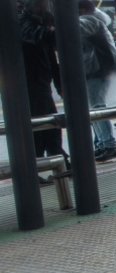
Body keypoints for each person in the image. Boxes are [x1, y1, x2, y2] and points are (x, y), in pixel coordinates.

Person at [19, 0, 69, 168]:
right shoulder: (25, 24)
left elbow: (52, 61)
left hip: (41, 84)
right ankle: (43, 163)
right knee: (42, 127)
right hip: (31, 85)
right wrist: (54, 31)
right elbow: (38, 37)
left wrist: (60, 86)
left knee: (50, 126)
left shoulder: (39, 24)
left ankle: (58, 160)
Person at [78, 0, 116, 162]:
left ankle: (109, 145)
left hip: (96, 70)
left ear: (82, 10)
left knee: (96, 108)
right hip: (98, 69)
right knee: (94, 108)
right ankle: (102, 143)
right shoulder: (97, 19)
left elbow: (72, 29)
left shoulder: (90, 20)